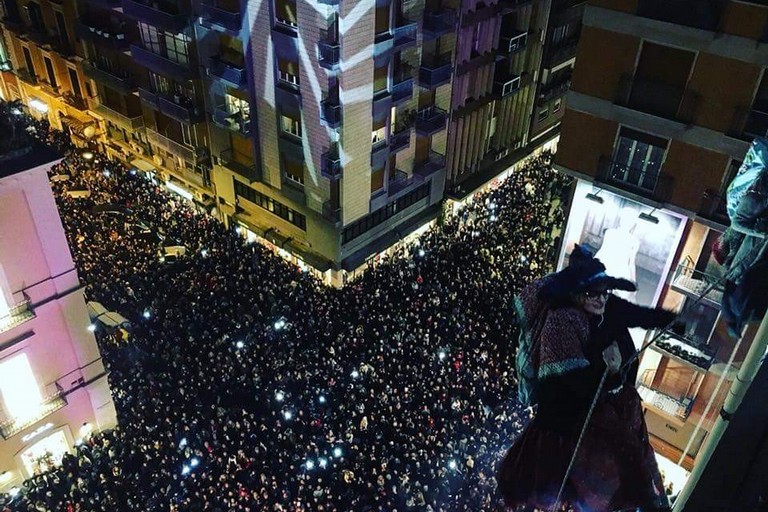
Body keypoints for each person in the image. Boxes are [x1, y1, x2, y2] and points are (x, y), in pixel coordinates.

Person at [498, 245, 674, 512]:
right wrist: (610, 373)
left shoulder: (601, 307)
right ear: (577, 294)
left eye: (605, 293)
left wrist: (671, 320)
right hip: (570, 412)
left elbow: (635, 314)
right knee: (623, 454)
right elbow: (576, 382)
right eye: (594, 294)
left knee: (635, 448)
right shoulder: (560, 323)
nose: (602, 300)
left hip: (606, 397)